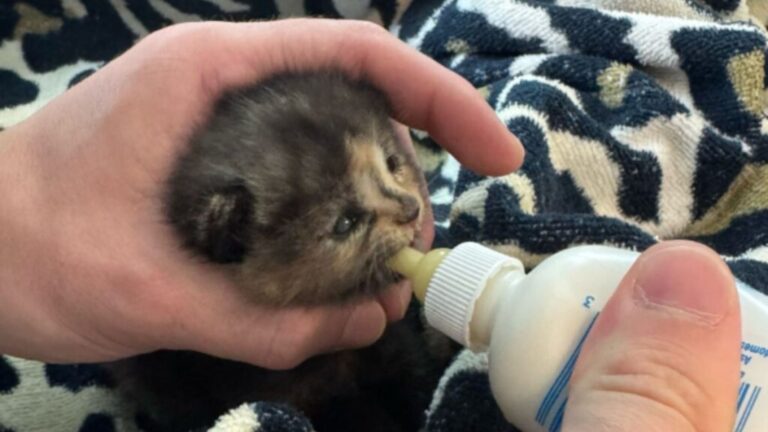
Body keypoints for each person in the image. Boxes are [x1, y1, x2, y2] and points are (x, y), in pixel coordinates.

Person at [0, 20, 740, 430]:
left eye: (392, 163)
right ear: (233, 242)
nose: (408, 209)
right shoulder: (168, 331)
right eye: (350, 219)